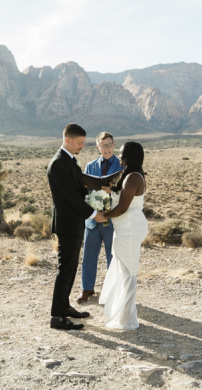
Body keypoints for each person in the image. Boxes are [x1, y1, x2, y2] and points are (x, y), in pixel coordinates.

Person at [46, 123, 100, 331]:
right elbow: (72, 197)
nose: (82, 146)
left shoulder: (69, 161)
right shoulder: (59, 163)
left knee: (70, 268)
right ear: (67, 140)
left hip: (74, 223)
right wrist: (95, 214)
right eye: (79, 143)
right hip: (67, 224)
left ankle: (65, 307)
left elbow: (80, 189)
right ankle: (57, 316)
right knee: (64, 269)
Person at [95, 142, 149, 330]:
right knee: (125, 268)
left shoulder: (134, 177)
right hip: (125, 227)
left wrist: (103, 216)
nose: (119, 156)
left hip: (130, 227)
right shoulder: (128, 175)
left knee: (128, 270)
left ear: (131, 155)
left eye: (122, 153)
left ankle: (126, 318)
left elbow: (123, 207)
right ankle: (124, 313)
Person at [76, 132, 121, 304]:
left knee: (113, 257)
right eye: (103, 145)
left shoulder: (120, 166)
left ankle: (113, 291)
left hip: (112, 219)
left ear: (114, 145)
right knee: (89, 256)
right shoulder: (90, 166)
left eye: (109, 145)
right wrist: (94, 214)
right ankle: (87, 289)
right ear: (98, 147)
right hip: (93, 219)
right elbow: (85, 191)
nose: (106, 148)